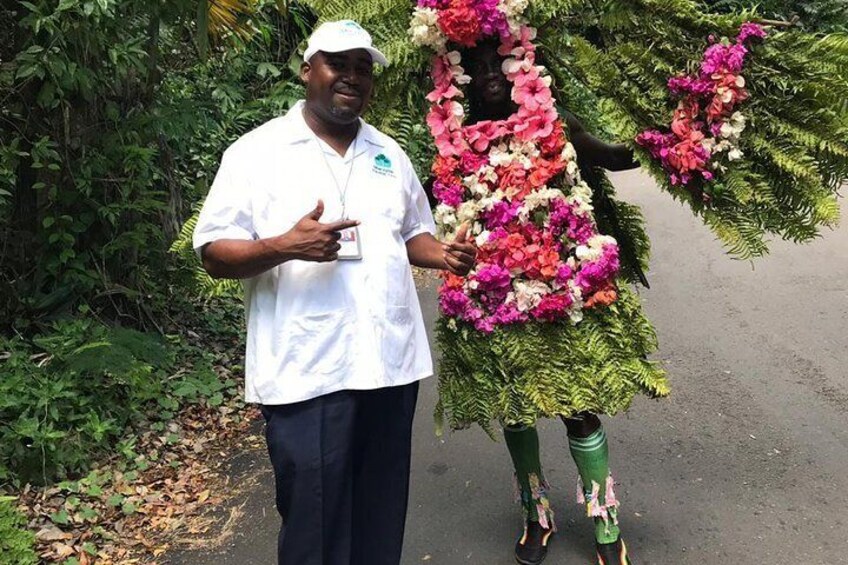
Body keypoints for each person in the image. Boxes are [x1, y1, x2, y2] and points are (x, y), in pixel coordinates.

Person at [192, 20, 476, 565]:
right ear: (307, 71)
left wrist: (443, 255)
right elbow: (212, 252)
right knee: (313, 523)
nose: (351, 77)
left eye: (362, 67)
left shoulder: (388, 153)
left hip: (388, 367)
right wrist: (283, 245)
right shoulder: (257, 152)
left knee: (379, 513)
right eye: (337, 63)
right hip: (305, 370)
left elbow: (412, 230)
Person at [420, 30, 667, 565]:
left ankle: (605, 518)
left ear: (521, 67)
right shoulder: (451, 145)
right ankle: (537, 515)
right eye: (475, 64)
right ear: (454, 77)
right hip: (492, 303)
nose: (488, 74)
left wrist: (675, 140)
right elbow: (419, 211)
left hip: (562, 294)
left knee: (578, 409)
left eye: (498, 62)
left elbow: (616, 157)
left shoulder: (557, 125)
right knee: (516, 410)